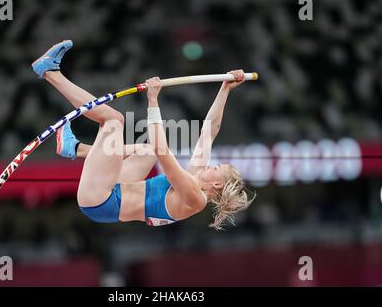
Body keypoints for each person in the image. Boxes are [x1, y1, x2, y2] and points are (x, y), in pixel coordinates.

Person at [32, 40, 255, 229]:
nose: (211, 165)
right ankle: (76, 148)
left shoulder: (194, 197)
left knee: (113, 120)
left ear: (217, 185)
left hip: (100, 200)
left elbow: (162, 149)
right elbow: (209, 131)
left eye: (217, 169)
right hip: (114, 191)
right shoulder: (195, 180)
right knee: (146, 151)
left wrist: (153, 99)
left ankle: (50, 73)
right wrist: (224, 88)